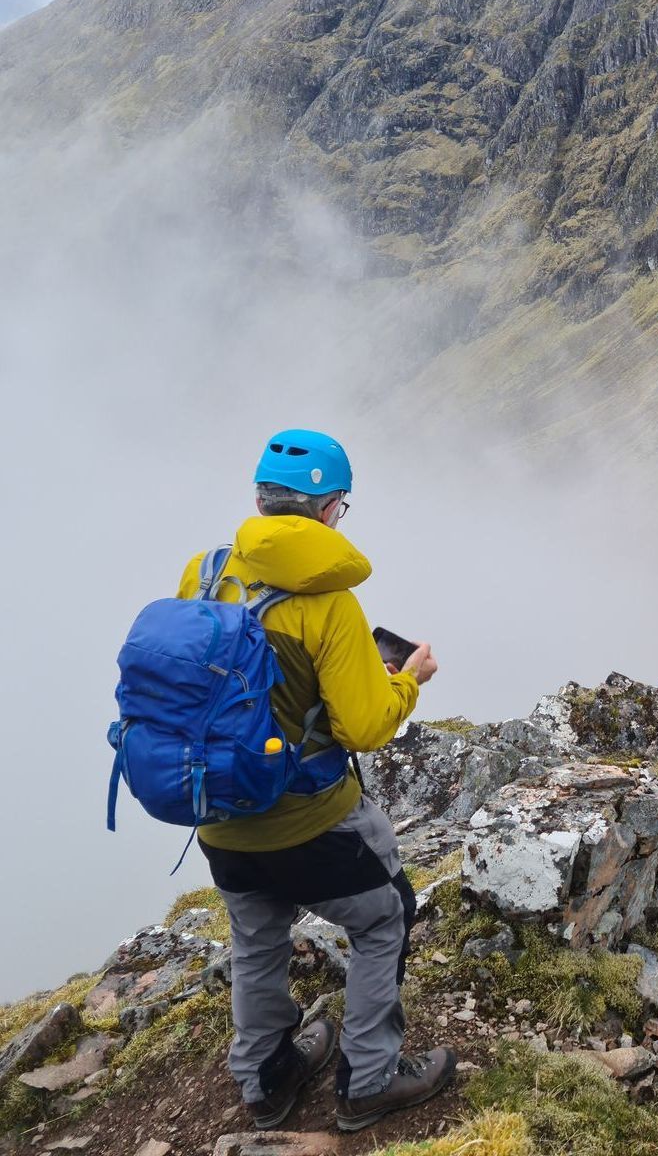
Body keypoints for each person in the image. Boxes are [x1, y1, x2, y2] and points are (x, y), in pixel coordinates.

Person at [181, 428, 457, 1132]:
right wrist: (408, 682)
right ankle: (369, 1081)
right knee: (384, 914)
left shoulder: (206, 572)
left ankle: (267, 1078)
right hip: (312, 821)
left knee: (255, 936)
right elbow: (364, 728)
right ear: (332, 509)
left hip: (219, 813)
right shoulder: (331, 604)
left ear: (259, 501)